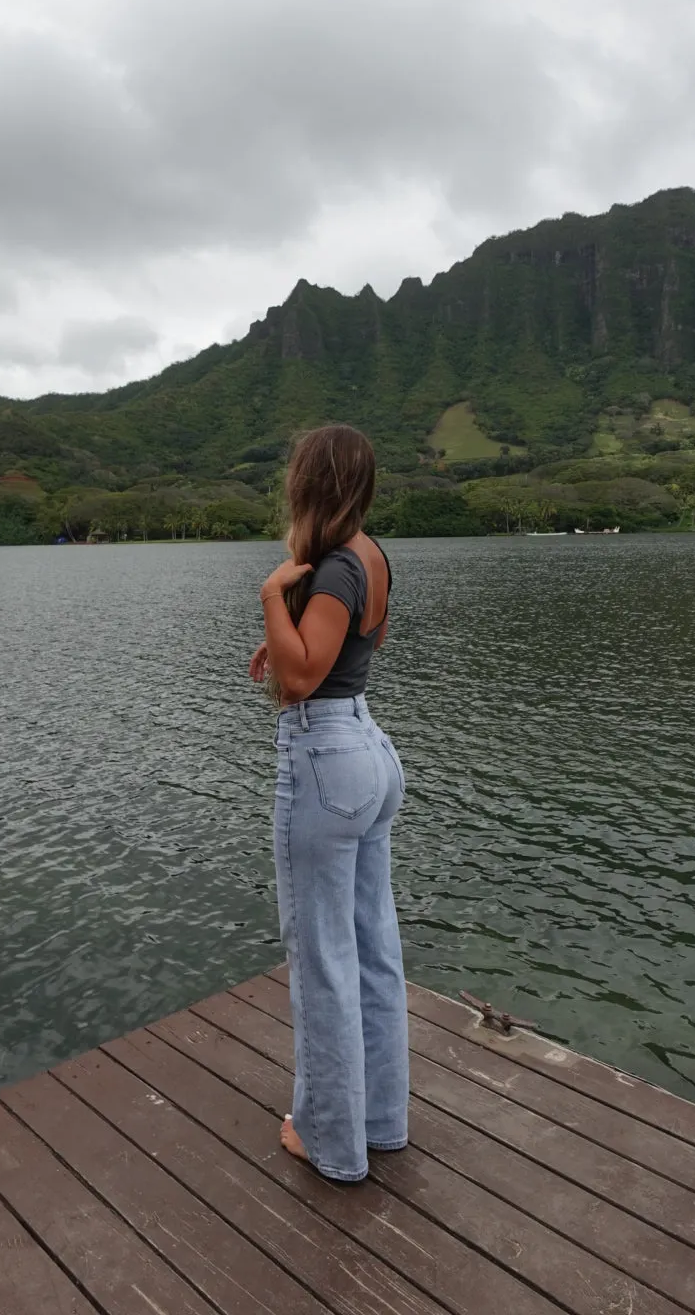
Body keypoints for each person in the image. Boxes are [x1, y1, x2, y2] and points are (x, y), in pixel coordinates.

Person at [248, 424, 408, 1182]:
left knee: (322, 961)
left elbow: (304, 678)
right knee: (372, 948)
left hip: (323, 760)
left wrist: (274, 596)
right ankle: (380, 1123)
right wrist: (285, 631)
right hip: (369, 753)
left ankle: (329, 1141)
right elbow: (344, 647)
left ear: (310, 482)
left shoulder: (331, 566)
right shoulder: (369, 556)